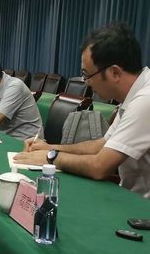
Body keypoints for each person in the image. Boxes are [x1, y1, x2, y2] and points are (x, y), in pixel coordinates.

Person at [15, 22, 150, 198]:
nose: (86, 82)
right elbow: (102, 145)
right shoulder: (132, 96)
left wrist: (51, 157)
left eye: (88, 75)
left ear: (115, 73)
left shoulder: (145, 100)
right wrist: (50, 147)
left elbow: (99, 166)